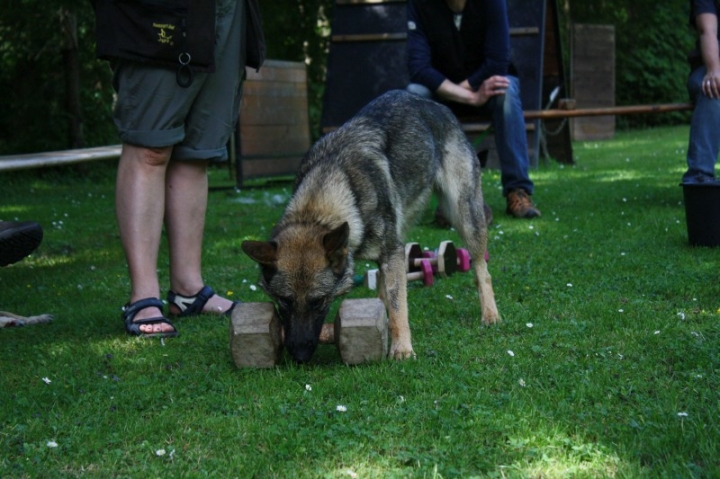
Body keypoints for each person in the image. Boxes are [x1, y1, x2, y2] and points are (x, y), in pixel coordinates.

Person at [92, 0, 266, 338]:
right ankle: (143, 296)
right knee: (150, 145)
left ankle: (188, 291)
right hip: (157, 12)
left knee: (197, 153)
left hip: (228, 10)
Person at [406, 0, 541, 219]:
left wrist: (470, 92)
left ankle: (518, 190)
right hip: (443, 91)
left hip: (485, 86)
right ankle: (428, 195)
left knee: (505, 90)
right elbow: (418, 68)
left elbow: (497, 62)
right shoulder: (419, 4)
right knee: (414, 94)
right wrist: (467, 96)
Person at [683, 0, 720, 184]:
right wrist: (714, 70)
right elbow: (708, 30)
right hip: (707, 67)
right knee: (712, 88)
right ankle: (699, 179)